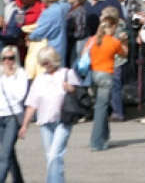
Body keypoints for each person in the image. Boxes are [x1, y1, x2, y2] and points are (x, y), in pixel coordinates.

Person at [19, 47, 78, 183]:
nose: (44, 65)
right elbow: (32, 104)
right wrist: (25, 125)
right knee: (51, 159)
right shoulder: (39, 79)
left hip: (63, 120)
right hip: (44, 122)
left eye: (47, 62)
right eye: (42, 63)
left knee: (54, 156)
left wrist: (71, 89)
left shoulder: (67, 73)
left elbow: (80, 94)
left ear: (53, 60)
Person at [87, 15, 126, 151]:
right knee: (101, 108)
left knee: (99, 105)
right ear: (114, 27)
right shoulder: (114, 42)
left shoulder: (92, 40)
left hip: (94, 74)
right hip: (106, 74)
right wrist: (124, 42)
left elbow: (84, 54)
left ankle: (104, 136)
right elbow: (123, 54)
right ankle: (96, 141)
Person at [0, 45, 27, 182]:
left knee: (4, 155)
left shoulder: (20, 73)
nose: (7, 62)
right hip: (0, 115)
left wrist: (9, 78)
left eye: (10, 58)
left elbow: (20, 95)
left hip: (13, 116)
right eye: (4, 58)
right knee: (9, 153)